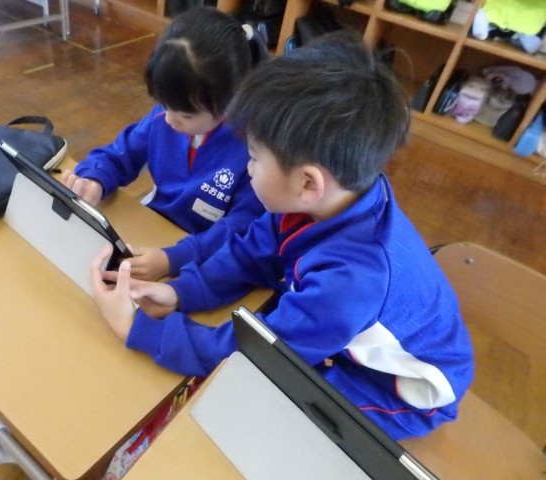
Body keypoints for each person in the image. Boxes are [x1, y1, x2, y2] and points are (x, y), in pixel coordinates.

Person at [90, 29, 475, 441]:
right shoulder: (332, 197)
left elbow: (258, 354)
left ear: (308, 182)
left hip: (401, 392)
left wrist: (139, 330)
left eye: (254, 157)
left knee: (274, 407)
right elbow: (249, 254)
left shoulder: (349, 281)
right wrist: (181, 291)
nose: (247, 168)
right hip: (343, 331)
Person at [63, 7, 267, 281]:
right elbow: (120, 154)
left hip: (202, 264)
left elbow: (241, 228)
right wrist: (94, 180)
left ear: (229, 103)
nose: (169, 120)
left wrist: (174, 259)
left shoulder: (254, 151)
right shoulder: (168, 114)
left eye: (185, 115)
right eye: (164, 104)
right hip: (154, 232)